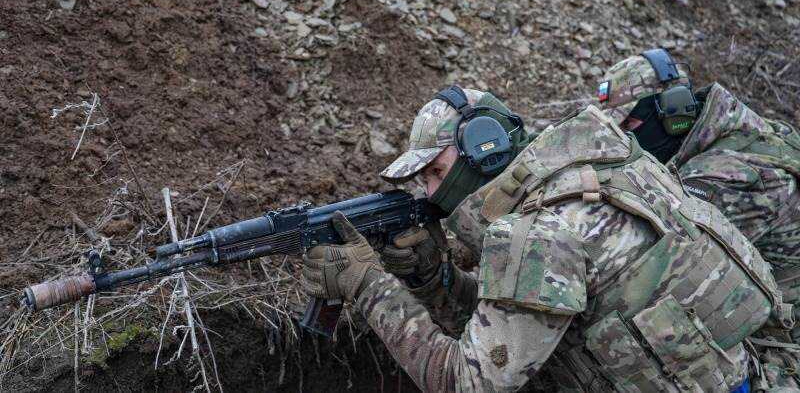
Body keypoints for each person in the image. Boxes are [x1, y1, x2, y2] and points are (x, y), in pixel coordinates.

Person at [301, 85, 792, 392]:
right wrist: (435, 280)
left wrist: (367, 285)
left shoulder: (538, 233)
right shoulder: (605, 169)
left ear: (484, 151)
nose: (430, 193)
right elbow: (516, 325)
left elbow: (464, 381)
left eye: (435, 172)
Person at [597, 48, 800, 389]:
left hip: (782, 352)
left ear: (672, 111)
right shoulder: (732, 133)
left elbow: (664, 263)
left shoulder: (729, 176)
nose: (625, 137)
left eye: (630, 124)